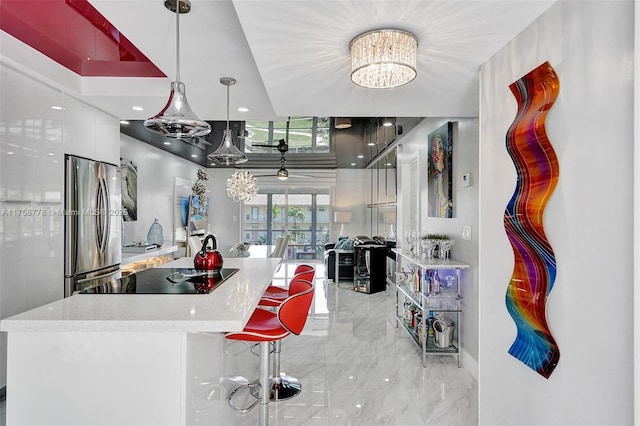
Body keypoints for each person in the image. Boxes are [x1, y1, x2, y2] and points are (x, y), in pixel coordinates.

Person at [431, 134, 451, 217]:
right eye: (434, 150)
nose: (436, 155)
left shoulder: (447, 185)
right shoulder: (434, 183)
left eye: (440, 149)